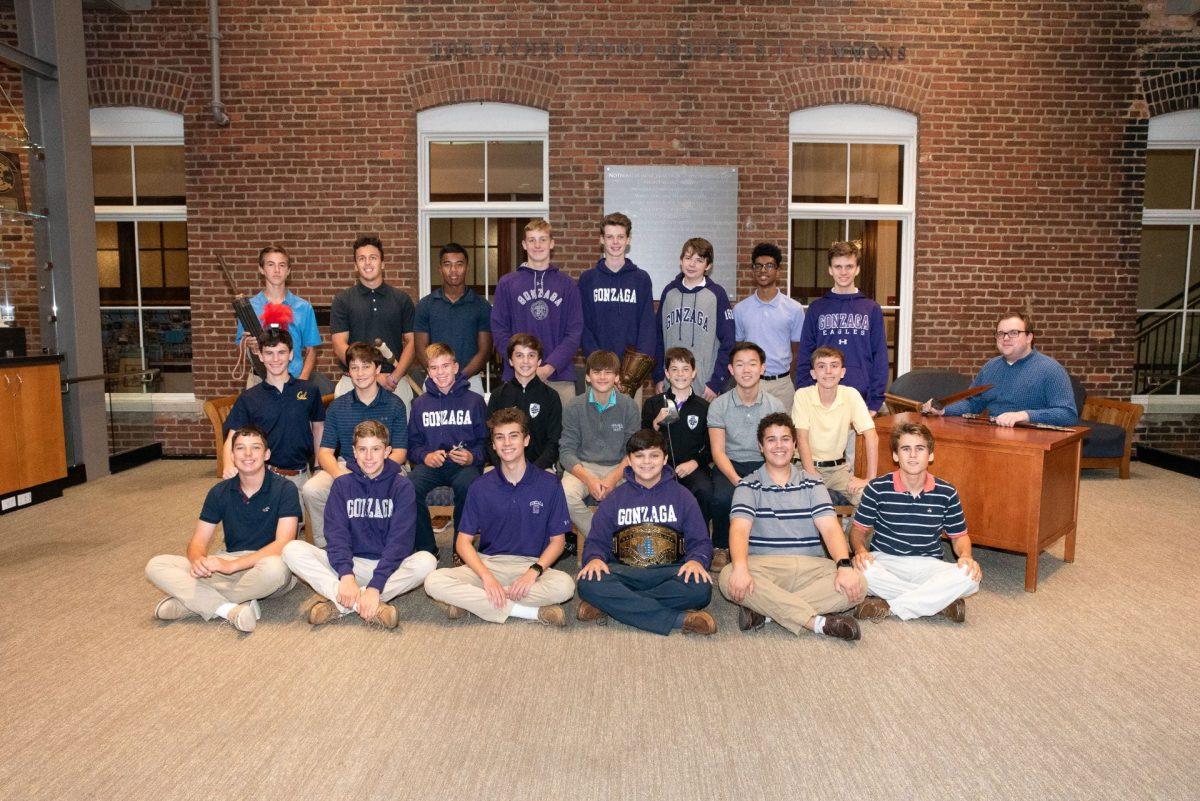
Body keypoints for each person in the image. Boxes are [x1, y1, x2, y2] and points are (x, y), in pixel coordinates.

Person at [717, 413, 867, 641]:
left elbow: (830, 528)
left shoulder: (813, 483)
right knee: (728, 577)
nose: (779, 446)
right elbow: (739, 529)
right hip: (765, 568)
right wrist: (739, 567)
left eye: (785, 439)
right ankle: (817, 623)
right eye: (771, 440)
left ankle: (767, 612)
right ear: (761, 446)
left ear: (795, 445)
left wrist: (844, 566)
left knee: (859, 582)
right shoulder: (748, 485)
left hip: (811, 566)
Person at [424, 408, 576, 626]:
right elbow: (463, 542)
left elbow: (558, 542)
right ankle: (530, 612)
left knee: (565, 586)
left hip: (531, 565)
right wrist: (487, 578)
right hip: (489, 563)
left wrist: (533, 572)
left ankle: (476, 602)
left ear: (526, 440)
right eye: (499, 437)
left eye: (513, 436)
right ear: (493, 445)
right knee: (433, 581)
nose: (506, 443)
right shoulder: (480, 486)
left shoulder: (549, 484)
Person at [145, 425, 298, 633]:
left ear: (267, 454)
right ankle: (229, 610)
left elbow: (283, 544)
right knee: (157, 564)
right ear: (233, 455)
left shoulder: (285, 489)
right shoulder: (219, 492)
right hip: (228, 562)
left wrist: (233, 566)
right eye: (241, 448)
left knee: (276, 570)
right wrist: (198, 560)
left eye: (255, 448)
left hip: (265, 565)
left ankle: (190, 603)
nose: (248, 454)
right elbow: (198, 542)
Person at [283, 421, 436, 629]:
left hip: (387, 565)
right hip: (349, 563)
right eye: (362, 449)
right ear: (354, 452)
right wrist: (346, 575)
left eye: (375, 449)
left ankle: (343, 604)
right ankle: (368, 605)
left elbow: (400, 542)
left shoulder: (402, 486)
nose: (369, 457)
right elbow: (336, 535)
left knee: (426, 562)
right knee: (292, 550)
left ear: (387, 451)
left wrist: (375, 585)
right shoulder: (342, 485)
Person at [576, 428, 716, 636]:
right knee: (588, 583)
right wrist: (595, 557)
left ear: (665, 458)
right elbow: (596, 541)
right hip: (625, 572)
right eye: (639, 456)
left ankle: (612, 605)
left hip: (669, 572)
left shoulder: (683, 497)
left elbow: (701, 542)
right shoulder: (615, 499)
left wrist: (696, 560)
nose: (647, 462)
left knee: (701, 588)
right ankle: (680, 619)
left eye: (654, 455)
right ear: (629, 461)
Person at [849, 422, 982, 623]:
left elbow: (959, 537)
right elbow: (858, 531)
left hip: (928, 564)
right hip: (885, 560)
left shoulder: (947, 492)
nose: (912, 455)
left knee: (970, 577)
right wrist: (860, 551)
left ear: (930, 455)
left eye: (919, 449)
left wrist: (966, 556)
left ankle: (890, 606)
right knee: (860, 570)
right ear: (895, 456)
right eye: (905, 449)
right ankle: (939, 603)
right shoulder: (877, 488)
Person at [301, 342, 408, 548]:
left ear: (377, 369)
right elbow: (325, 453)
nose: (360, 373)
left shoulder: (395, 404)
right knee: (312, 489)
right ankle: (328, 546)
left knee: (401, 486)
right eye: (354, 368)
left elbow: (401, 451)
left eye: (366, 366)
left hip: (386, 466)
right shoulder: (337, 407)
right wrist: (341, 478)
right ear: (348, 372)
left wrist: (377, 474)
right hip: (347, 466)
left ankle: (388, 545)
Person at [707, 341, 786, 570]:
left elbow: (778, 447)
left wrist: (765, 475)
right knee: (722, 497)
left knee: (772, 495)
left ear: (762, 368)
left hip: (764, 462)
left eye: (753, 364)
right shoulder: (719, 405)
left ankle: (763, 547)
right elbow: (718, 451)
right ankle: (721, 547)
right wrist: (737, 481)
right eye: (739, 364)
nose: (746, 370)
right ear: (731, 369)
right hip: (729, 463)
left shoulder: (775, 405)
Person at [490, 218, 583, 409]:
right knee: (515, 435)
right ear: (524, 245)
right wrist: (522, 365)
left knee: (563, 437)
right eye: (531, 240)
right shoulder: (507, 283)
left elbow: (574, 333)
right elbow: (499, 330)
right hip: (517, 377)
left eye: (542, 239)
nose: (537, 245)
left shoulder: (567, 285)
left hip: (559, 377)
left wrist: (549, 367)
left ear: (552, 243)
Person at [925, 311, 1077, 427]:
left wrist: (1024, 415)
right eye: (1001, 334)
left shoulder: (1051, 370)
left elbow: (1067, 414)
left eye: (1013, 333)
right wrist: (944, 409)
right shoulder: (990, 367)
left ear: (1029, 337)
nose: (1005, 338)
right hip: (994, 438)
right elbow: (973, 404)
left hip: (1034, 444)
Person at [407, 343, 488, 557]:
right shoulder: (419, 404)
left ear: (455, 367)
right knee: (408, 486)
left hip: (464, 466)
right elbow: (412, 446)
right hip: (432, 465)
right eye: (434, 368)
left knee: (468, 485)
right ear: (428, 371)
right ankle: (426, 550)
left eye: (445, 366)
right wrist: (425, 455)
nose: (440, 372)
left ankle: (460, 550)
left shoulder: (475, 402)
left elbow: (487, 444)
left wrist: (472, 456)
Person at [222, 329, 325, 496]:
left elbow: (319, 428)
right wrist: (228, 464)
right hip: (267, 475)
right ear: (261, 356)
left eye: (281, 352)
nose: (275, 359)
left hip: (302, 473)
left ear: (291, 354)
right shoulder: (249, 397)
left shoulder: (309, 390)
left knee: (305, 519)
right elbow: (232, 436)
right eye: (269, 353)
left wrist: (318, 466)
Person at [795, 240, 888, 416]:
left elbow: (880, 357)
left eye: (849, 266)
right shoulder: (817, 308)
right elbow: (805, 354)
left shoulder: (871, 308)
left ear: (857, 269)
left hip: (861, 399)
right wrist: (805, 394)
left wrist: (875, 403)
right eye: (838, 267)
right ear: (830, 269)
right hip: (822, 397)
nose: (843, 272)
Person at [559, 349, 641, 542]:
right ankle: (603, 538)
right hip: (583, 466)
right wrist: (589, 479)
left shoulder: (629, 406)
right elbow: (566, 451)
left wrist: (613, 478)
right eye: (596, 372)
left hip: (620, 467)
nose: (602, 377)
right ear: (588, 377)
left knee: (638, 497)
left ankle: (613, 540)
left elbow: (634, 451)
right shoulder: (574, 406)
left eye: (608, 372)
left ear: (616, 377)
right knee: (564, 496)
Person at [330, 236, 416, 411]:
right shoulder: (342, 300)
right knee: (350, 439)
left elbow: (412, 342)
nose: (367, 263)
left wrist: (394, 378)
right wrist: (370, 376)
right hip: (354, 381)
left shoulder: (402, 299)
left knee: (396, 439)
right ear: (355, 265)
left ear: (383, 263)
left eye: (373, 257)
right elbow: (339, 344)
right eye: (361, 258)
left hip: (394, 383)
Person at [791, 346, 879, 508]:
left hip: (838, 470)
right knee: (807, 503)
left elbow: (871, 435)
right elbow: (801, 438)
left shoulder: (851, 395)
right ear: (813, 374)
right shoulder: (802, 395)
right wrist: (811, 475)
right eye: (821, 366)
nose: (828, 371)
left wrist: (870, 478)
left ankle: (847, 535)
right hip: (804, 467)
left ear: (843, 372)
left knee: (870, 502)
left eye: (834, 365)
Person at [654, 237, 736, 401]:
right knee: (670, 425)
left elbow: (728, 342)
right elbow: (658, 338)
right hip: (671, 384)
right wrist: (658, 376)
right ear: (681, 260)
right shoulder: (669, 292)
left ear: (708, 265)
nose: (692, 264)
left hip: (705, 388)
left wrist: (716, 382)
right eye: (688, 258)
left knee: (705, 426)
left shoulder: (717, 295)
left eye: (699, 260)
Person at [641, 346, 712, 526]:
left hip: (693, 467)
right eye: (674, 369)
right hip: (660, 469)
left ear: (694, 372)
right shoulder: (653, 404)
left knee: (704, 490)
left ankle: (699, 542)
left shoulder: (704, 407)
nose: (680, 374)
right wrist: (656, 423)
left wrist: (694, 463)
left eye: (685, 369)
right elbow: (642, 444)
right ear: (666, 373)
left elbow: (711, 446)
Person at [578, 211, 656, 367]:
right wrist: (598, 363)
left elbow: (647, 328)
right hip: (597, 369)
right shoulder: (588, 279)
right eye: (609, 237)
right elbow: (583, 326)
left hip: (631, 372)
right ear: (601, 239)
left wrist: (634, 368)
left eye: (620, 237)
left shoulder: (641, 279)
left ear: (628, 240)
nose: (615, 242)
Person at [234, 244, 321, 384]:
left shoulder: (303, 308)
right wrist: (247, 345)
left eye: (282, 265)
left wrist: (302, 382)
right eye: (270, 264)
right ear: (261, 269)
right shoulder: (249, 308)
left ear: (288, 271)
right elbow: (240, 352)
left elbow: (312, 349)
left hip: (294, 378)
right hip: (259, 379)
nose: (276, 270)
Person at [413, 243, 492, 396]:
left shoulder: (481, 306)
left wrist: (459, 378)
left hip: (470, 382)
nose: (453, 270)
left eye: (459, 264)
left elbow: (485, 351)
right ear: (440, 269)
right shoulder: (425, 305)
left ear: (467, 268)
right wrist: (439, 375)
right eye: (447, 265)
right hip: (434, 381)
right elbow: (420, 348)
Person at [733, 242, 804, 410]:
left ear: (777, 271)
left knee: (783, 433)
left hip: (782, 385)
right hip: (750, 384)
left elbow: (797, 351)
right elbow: (738, 349)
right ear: (752, 270)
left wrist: (787, 378)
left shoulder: (794, 309)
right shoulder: (741, 309)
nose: (763, 270)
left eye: (769, 266)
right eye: (758, 266)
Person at [485, 333, 562, 471]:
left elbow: (554, 441)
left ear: (539, 361)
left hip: (540, 468)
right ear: (510, 360)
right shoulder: (498, 396)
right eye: (519, 355)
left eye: (531, 355)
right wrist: (502, 466)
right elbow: (489, 439)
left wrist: (534, 469)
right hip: (503, 467)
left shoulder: (551, 397)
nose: (525, 361)